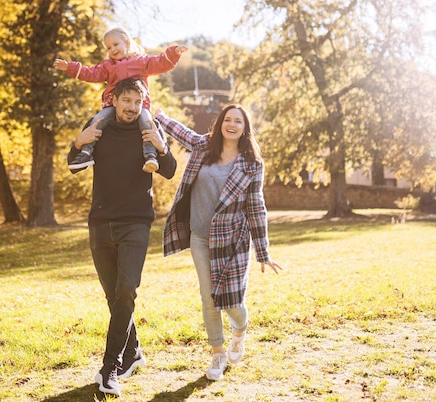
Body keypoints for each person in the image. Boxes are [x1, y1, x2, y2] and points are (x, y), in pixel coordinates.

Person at [67, 78, 177, 397]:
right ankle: (134, 352)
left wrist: (160, 146)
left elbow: (168, 170)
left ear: (142, 103)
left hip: (136, 222)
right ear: (114, 100)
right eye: (125, 100)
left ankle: (109, 368)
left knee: (127, 288)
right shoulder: (98, 126)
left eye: (136, 102)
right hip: (100, 222)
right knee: (114, 296)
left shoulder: (148, 128)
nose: (130, 107)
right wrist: (78, 141)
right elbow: (74, 166)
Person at [156, 105, 282, 381]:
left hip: (233, 240)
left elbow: (256, 207)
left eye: (238, 121)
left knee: (233, 300)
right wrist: (159, 117)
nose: (232, 124)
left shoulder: (251, 164)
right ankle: (217, 353)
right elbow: (182, 133)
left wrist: (263, 252)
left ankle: (240, 331)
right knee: (209, 298)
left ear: (245, 128)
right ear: (221, 123)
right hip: (200, 236)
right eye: (228, 119)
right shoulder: (204, 146)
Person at [55, 27, 188, 173]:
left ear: (127, 42)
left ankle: (150, 155)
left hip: (142, 106)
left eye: (115, 44)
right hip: (110, 104)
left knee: (147, 123)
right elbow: (91, 73)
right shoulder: (108, 66)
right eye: (109, 47)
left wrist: (173, 52)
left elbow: (159, 62)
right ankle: (86, 153)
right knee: (97, 120)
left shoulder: (140, 61)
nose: (112, 49)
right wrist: (70, 67)